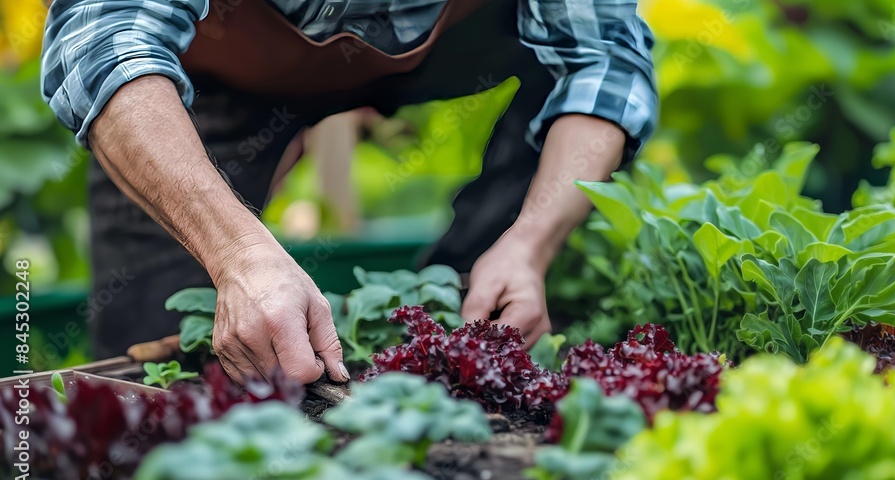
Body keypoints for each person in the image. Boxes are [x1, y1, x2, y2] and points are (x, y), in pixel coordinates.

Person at [41, 0, 657, 385]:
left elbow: (603, 60)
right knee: (155, 368)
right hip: (218, 70)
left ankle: (458, 322)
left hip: (455, 50)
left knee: (555, 72)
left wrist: (531, 243)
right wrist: (237, 253)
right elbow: (103, 37)